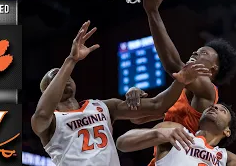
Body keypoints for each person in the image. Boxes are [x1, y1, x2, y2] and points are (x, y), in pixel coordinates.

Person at [31, 21, 212, 166]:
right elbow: (42, 113)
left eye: (65, 76)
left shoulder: (103, 106)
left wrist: (180, 81)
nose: (64, 78)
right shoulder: (48, 122)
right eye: (56, 78)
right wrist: (71, 60)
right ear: (48, 92)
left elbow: (158, 105)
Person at [125, 0, 236, 165]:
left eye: (203, 53)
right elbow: (138, 117)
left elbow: (173, 64)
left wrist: (153, 12)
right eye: (197, 49)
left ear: (212, 70)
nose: (195, 51)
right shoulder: (180, 93)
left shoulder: (208, 92)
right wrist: (134, 94)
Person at [117, 85, 236, 166]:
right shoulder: (175, 131)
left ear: (227, 131)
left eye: (222, 110)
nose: (214, 107)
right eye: (213, 107)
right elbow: (122, 143)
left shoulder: (225, 158)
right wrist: (159, 135)